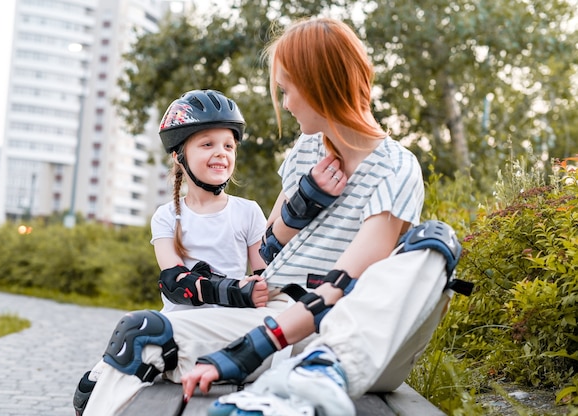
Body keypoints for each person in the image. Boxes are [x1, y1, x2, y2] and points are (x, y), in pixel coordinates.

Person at [76, 17, 469, 416]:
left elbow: (343, 284)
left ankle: (314, 376)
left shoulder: (396, 167)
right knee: (141, 337)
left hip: (346, 333)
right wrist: (303, 203)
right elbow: (268, 248)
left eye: (287, 90)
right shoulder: (306, 150)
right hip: (275, 313)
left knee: (434, 239)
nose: (285, 104)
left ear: (318, 84)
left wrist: (252, 349)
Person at [73, 89, 270, 415]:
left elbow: (264, 277)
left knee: (135, 335)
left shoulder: (247, 212)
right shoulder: (167, 216)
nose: (221, 152)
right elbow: (176, 283)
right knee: (89, 390)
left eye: (228, 145)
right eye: (207, 144)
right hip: (178, 325)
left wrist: (259, 285)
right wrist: (235, 290)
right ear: (179, 156)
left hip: (227, 329)